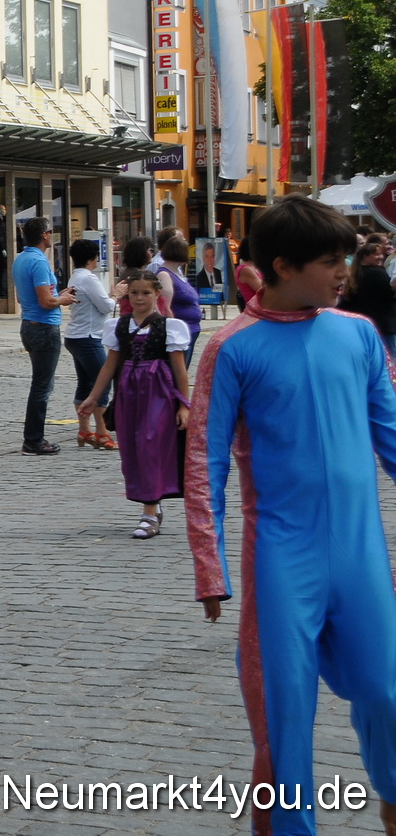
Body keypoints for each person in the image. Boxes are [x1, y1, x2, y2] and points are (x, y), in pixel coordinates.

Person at [184, 196, 396, 836]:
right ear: (282, 265)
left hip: (361, 556)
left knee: (387, 694)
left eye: (346, 261)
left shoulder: (357, 333)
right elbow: (204, 461)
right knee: (285, 717)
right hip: (283, 556)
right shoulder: (232, 348)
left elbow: (392, 434)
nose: (343, 274)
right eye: (331, 262)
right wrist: (208, 563)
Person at [77, 268, 189, 539]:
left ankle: (149, 514)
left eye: (145, 293)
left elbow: (180, 369)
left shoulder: (168, 327)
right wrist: (93, 397)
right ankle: (152, 502)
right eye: (134, 293)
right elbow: (109, 365)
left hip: (158, 392)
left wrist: (185, 404)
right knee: (134, 449)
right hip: (129, 392)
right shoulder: (120, 326)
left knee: (151, 443)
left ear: (157, 294)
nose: (139, 298)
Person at [13, 216, 75, 455]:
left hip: (29, 324)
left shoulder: (21, 259)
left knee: (40, 383)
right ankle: (33, 439)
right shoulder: (39, 261)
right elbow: (46, 301)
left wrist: (58, 295)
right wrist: (63, 299)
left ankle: (34, 437)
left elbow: (23, 297)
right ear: (45, 235)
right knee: (42, 386)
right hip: (43, 327)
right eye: (51, 232)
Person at [64, 238, 118, 452]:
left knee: (85, 382)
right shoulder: (89, 278)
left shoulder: (76, 276)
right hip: (89, 336)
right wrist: (116, 296)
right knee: (102, 383)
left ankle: (84, 429)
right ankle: (102, 432)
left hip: (75, 335)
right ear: (92, 257)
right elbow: (105, 306)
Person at [339, 240, 396, 360]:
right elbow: (389, 295)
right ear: (365, 256)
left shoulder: (352, 274)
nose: (380, 257)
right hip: (382, 325)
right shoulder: (377, 273)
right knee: (389, 361)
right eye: (376, 254)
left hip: (357, 326)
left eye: (381, 254)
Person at [156, 235, 204, 366]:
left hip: (191, 329)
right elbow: (165, 307)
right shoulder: (164, 274)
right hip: (180, 332)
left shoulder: (177, 273)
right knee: (178, 370)